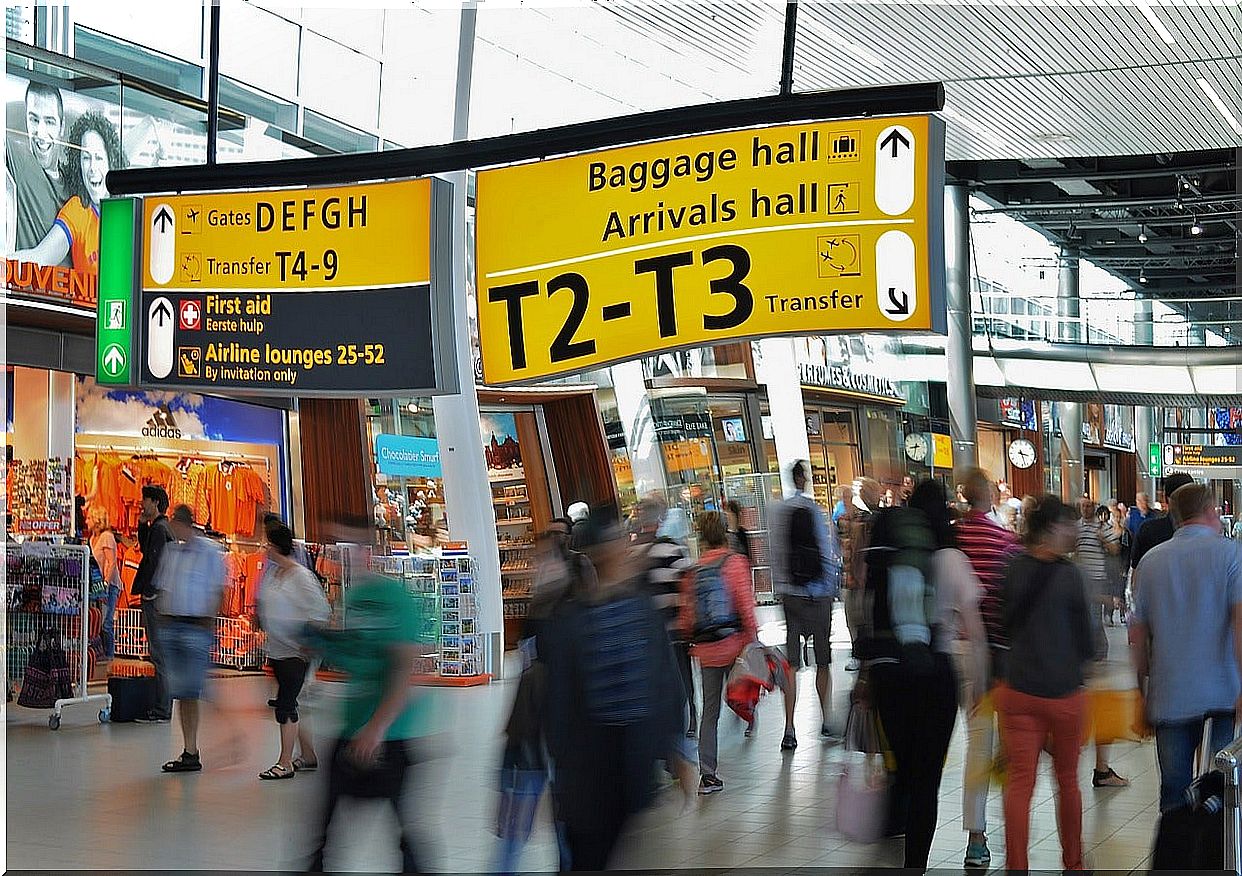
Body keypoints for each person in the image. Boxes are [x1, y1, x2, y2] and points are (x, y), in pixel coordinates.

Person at [538, 508, 680, 870]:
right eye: (617, 540)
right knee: (589, 855)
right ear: (599, 554)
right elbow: (558, 706)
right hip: (588, 777)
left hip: (629, 769)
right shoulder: (569, 620)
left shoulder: (639, 610)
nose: (624, 547)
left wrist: (674, 749)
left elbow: (662, 681)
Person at [866, 480, 988, 871]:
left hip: (890, 671)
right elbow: (977, 629)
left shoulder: (888, 553)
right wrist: (981, 681)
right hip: (936, 674)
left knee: (902, 767)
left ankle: (892, 828)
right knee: (926, 782)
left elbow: (862, 609)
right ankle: (914, 863)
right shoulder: (951, 557)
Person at [307, 513, 431, 873]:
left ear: (370, 550)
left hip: (391, 734)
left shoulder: (395, 598)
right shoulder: (355, 597)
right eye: (338, 547)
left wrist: (377, 729)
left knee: (405, 835)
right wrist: (318, 642)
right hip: (353, 728)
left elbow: (402, 668)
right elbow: (358, 656)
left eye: (351, 547)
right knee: (323, 831)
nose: (343, 555)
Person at [995, 495, 1095, 873]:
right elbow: (1086, 640)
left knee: (1020, 783)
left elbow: (1002, 623)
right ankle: (1073, 863)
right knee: (1067, 780)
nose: (1073, 533)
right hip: (1063, 693)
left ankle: (1016, 866)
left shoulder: (1012, 568)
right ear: (1052, 529)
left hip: (1018, 690)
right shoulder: (1069, 575)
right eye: (1068, 526)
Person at [1131, 483, 1242, 813]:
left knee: (1174, 793)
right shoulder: (1231, 554)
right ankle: (1219, 858)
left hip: (1171, 693)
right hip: (1225, 690)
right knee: (1223, 788)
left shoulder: (1151, 562)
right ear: (1211, 512)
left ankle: (1177, 857)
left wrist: (1141, 694)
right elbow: (1239, 623)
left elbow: (1139, 634)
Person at [951, 467, 1019, 869]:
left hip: (949, 652)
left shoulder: (950, 539)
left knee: (973, 745)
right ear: (991, 496)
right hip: (991, 654)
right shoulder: (1004, 540)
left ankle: (976, 839)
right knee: (996, 745)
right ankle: (1004, 828)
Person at [678, 511, 757, 794]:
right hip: (734, 644)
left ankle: (708, 774)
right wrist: (752, 638)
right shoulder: (735, 563)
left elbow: (687, 617)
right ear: (726, 534)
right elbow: (746, 605)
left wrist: (694, 640)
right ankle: (749, 717)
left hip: (707, 650)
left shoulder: (694, 571)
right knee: (743, 689)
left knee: (709, 711)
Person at [770, 460, 841, 751]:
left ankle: (789, 728)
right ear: (805, 480)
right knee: (823, 662)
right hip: (817, 597)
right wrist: (830, 589)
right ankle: (826, 720)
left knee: (792, 665)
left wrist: (781, 589)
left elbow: (776, 555)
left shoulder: (779, 512)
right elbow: (826, 552)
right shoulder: (814, 511)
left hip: (791, 598)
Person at [256, 521, 330, 781]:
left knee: (286, 706)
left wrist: (308, 644)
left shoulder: (301, 576)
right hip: (277, 649)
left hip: (295, 652)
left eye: (267, 544)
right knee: (292, 703)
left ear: (276, 547)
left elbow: (321, 612)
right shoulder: (273, 574)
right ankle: (307, 754)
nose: (264, 548)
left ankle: (284, 761)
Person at [155, 505, 226, 773]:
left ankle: (229, 736)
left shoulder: (209, 551)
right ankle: (190, 751)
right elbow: (164, 585)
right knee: (182, 693)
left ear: (185, 523)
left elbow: (219, 588)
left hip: (196, 627)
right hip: (173, 626)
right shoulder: (172, 552)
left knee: (195, 690)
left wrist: (210, 620)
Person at [12, 110, 123, 273]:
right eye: (86, 158)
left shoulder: (128, 211)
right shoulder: (78, 210)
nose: (92, 167)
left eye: (98, 158)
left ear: (110, 161)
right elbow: (41, 257)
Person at [1074, 498, 1130, 789]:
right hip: (1091, 594)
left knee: (1097, 655)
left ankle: (1101, 765)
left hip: (1094, 588)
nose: (1084, 511)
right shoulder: (1076, 531)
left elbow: (1115, 550)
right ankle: (1101, 766)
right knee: (1096, 661)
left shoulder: (1102, 529)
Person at [631, 495, 695, 736]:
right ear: (660, 520)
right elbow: (687, 582)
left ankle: (661, 724)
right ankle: (690, 719)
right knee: (682, 677)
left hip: (645, 632)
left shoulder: (631, 552)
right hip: (674, 627)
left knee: (654, 680)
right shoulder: (672, 547)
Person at [6, 81, 65, 251]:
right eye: (34, 119)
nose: (41, 132)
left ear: (61, 125)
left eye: (50, 121)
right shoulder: (19, 158)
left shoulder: (75, 179)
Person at [133, 485, 175, 724]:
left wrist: (149, 592)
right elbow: (147, 550)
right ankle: (162, 707)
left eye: (145, 500)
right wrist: (141, 524)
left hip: (155, 598)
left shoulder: (160, 529)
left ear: (155, 502)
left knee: (158, 654)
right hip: (161, 597)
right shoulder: (160, 528)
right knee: (160, 654)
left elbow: (152, 561)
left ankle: (162, 708)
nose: (142, 504)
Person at [842, 477, 881, 671]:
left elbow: (858, 553)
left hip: (861, 581)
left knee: (859, 620)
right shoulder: (861, 520)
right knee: (858, 620)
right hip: (859, 580)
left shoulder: (866, 521)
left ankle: (860, 655)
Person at [1130, 473, 1196, 580]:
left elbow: (1135, 574)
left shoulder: (1148, 530)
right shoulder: (1209, 537)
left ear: (1166, 499)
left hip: (1155, 593)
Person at [87, 506, 123, 661]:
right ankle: (102, 655)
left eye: (89, 518)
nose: (86, 521)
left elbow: (111, 562)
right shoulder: (92, 539)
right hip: (98, 584)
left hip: (109, 585)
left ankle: (109, 656)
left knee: (106, 623)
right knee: (98, 621)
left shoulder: (107, 537)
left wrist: (105, 585)